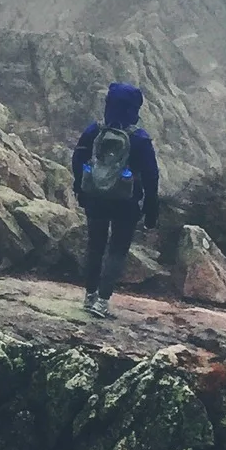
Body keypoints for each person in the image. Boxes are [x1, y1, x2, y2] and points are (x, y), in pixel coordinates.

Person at [70, 81, 159, 317]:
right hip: (126, 202)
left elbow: (77, 159)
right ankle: (102, 301)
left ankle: (89, 296)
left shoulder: (94, 130)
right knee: (117, 250)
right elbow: (151, 175)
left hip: (95, 198)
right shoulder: (139, 138)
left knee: (95, 246)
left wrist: (80, 187)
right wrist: (151, 208)